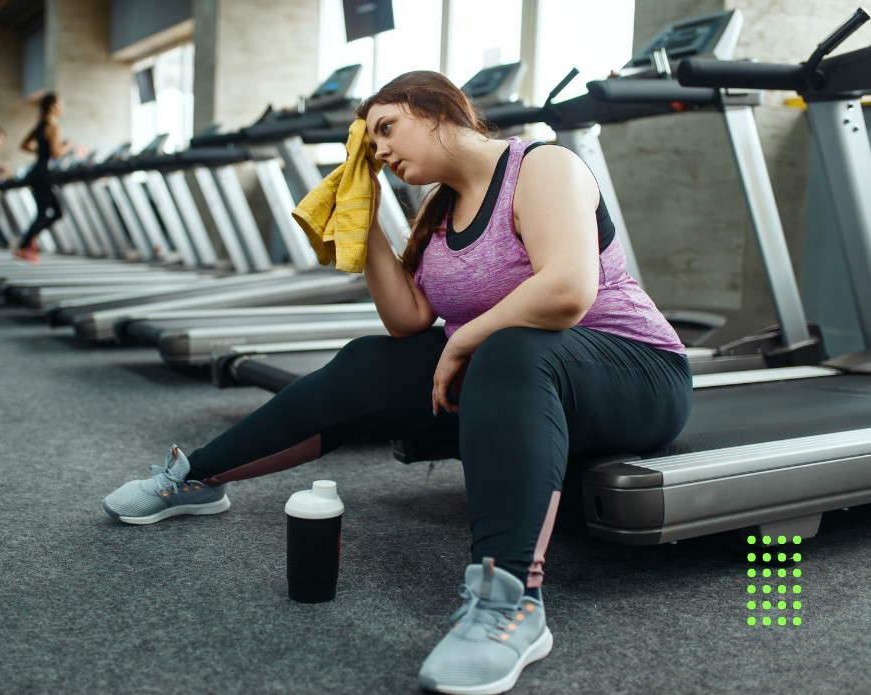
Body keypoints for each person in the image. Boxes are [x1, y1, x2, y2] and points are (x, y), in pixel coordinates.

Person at [102, 72, 693, 694]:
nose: (379, 151)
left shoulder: (543, 166)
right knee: (368, 362)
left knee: (509, 348)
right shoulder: (437, 213)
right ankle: (195, 478)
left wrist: (465, 338)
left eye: (387, 128)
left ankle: (509, 602)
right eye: (370, 143)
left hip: (635, 369)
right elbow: (408, 321)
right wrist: (369, 219)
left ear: (439, 109)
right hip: (508, 375)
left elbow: (569, 290)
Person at [14, 92, 71, 263]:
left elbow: (24, 144)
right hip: (45, 173)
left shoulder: (40, 124)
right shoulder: (53, 126)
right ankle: (23, 245)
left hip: (36, 171)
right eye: (60, 104)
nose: (63, 108)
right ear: (53, 106)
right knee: (51, 213)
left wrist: (41, 151)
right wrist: (68, 145)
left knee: (50, 213)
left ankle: (27, 242)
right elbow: (57, 153)